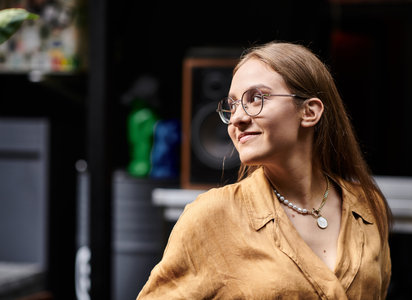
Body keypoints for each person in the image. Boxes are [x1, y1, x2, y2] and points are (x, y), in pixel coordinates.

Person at [137, 42, 392, 299]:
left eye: (256, 99)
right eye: (232, 105)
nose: (237, 118)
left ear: (309, 111)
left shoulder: (368, 207)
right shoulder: (212, 216)